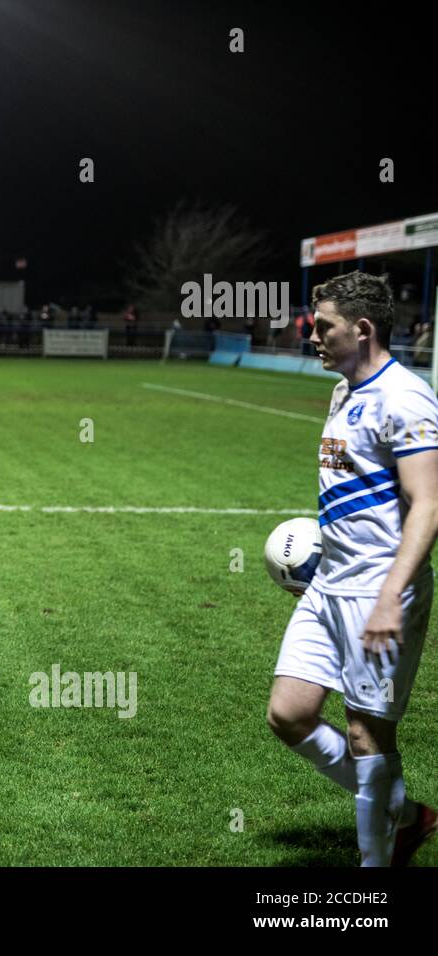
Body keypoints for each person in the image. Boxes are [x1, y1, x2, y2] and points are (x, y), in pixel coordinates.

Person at [266, 271, 438, 866]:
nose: (312, 337)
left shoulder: (406, 399)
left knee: (367, 734)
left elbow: (429, 504)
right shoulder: (343, 390)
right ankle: (406, 814)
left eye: (324, 327)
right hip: (329, 584)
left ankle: (375, 871)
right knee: (289, 714)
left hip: (379, 590)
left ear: (361, 330)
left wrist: (391, 596)